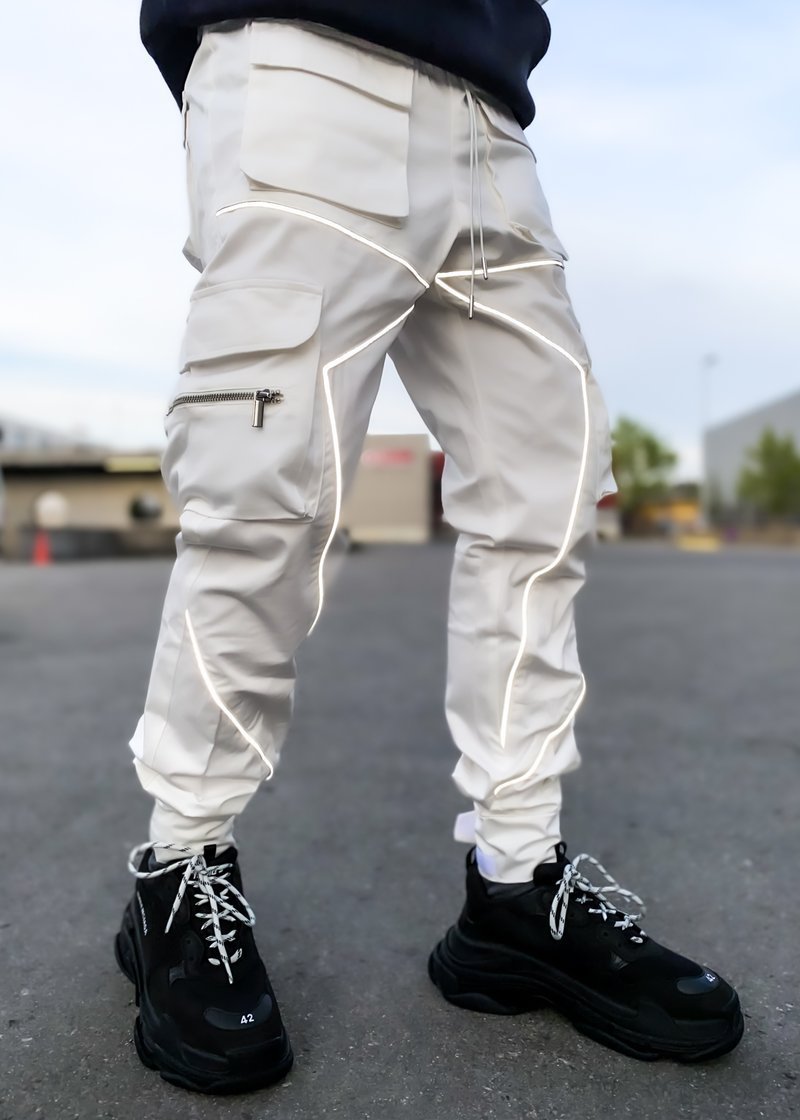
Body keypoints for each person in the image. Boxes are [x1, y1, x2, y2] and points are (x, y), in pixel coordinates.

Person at [117, 0, 744, 1094]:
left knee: (545, 498)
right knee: (262, 496)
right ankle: (180, 864)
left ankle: (515, 884)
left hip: (491, 118)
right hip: (305, 60)